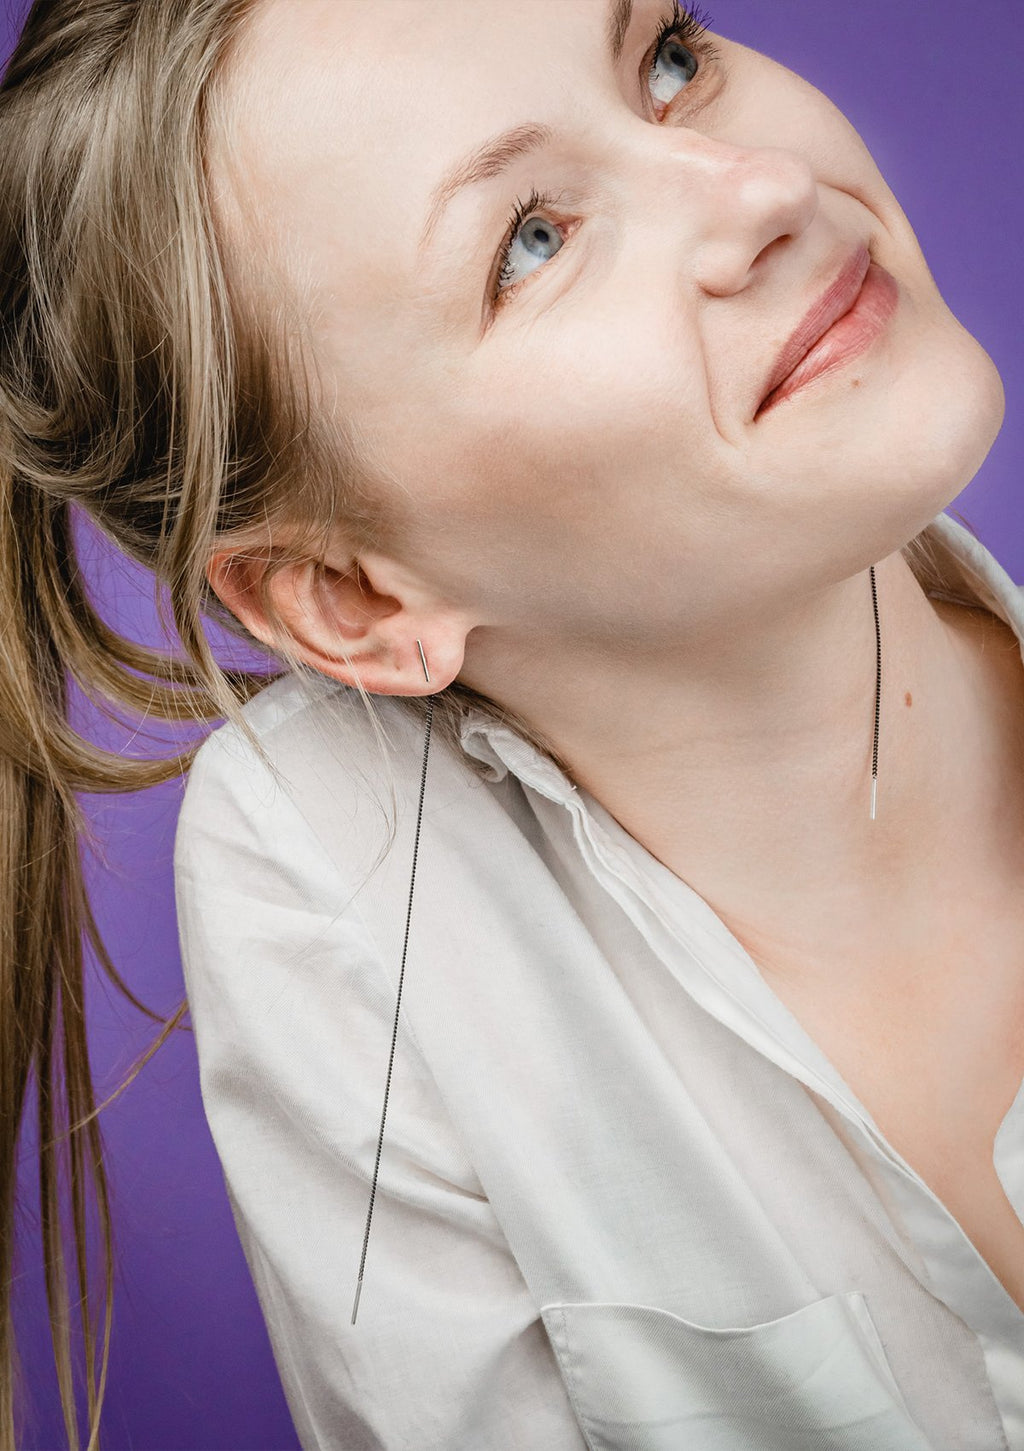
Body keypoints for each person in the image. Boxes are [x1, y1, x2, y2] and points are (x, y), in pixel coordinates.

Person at [1, 0, 1022, 1447]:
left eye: (669, 57)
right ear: (350, 598)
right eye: (532, 238)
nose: (766, 189)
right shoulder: (336, 875)